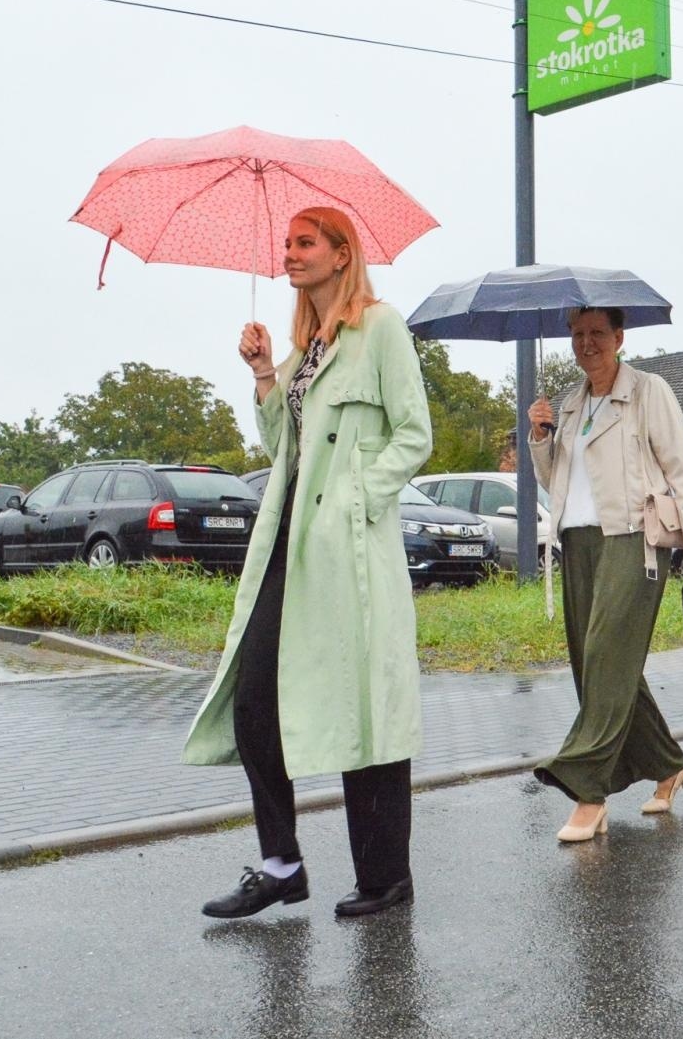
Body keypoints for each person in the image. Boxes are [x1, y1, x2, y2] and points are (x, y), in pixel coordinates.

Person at [184, 206, 433, 919]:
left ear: (340, 252)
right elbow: (282, 449)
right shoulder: (306, 349)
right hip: (289, 546)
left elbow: (415, 434)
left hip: (350, 549)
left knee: (366, 704)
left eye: (304, 242)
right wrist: (265, 374)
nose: (289, 253)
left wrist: (360, 496)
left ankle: (386, 873)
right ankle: (281, 862)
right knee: (255, 699)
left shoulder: (378, 328)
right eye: (287, 242)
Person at [527, 307, 683, 841]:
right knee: (601, 665)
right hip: (579, 540)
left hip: (635, 538)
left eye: (597, 334)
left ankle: (587, 787)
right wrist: (541, 438)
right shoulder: (570, 403)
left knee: (605, 655)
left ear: (618, 337)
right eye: (577, 335)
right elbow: (556, 482)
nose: (586, 343)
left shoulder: (647, 391)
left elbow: (682, 467)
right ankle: (669, 764)